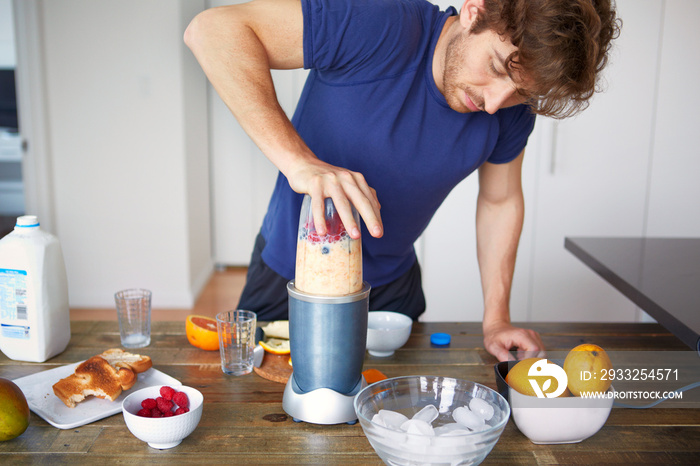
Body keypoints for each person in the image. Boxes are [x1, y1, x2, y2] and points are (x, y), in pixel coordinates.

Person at [185, 0, 620, 362]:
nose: (494, 105)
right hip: (290, 278)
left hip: (392, 294)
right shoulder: (381, 24)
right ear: (475, 11)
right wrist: (299, 161)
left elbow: (500, 201)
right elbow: (212, 31)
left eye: (520, 93)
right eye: (496, 67)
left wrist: (496, 320)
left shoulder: (508, 113)